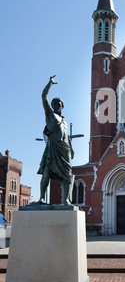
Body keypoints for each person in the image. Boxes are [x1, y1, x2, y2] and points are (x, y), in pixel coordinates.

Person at [37, 75, 74, 205]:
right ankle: (41, 198)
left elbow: (67, 136)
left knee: (68, 175)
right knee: (47, 172)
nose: (57, 105)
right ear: (52, 105)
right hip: (53, 148)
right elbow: (43, 96)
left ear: (62, 106)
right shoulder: (50, 114)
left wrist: (72, 149)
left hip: (65, 150)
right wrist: (50, 83)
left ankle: (66, 200)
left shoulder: (64, 121)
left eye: (59, 103)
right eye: (55, 103)